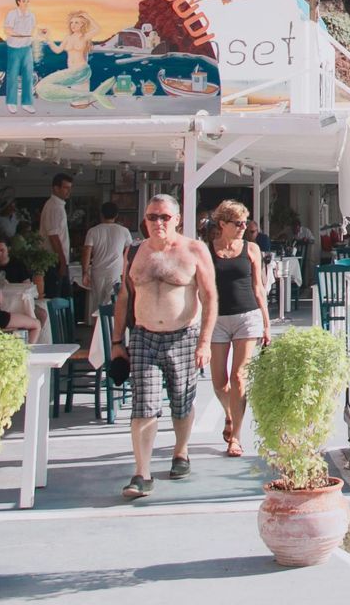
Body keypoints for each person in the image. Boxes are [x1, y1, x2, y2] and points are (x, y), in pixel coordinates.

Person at [110, 194, 217, 500]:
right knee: (143, 403)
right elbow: (124, 298)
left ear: (177, 219)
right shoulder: (134, 252)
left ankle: (180, 452)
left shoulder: (194, 250)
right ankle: (142, 473)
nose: (157, 223)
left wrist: (205, 341)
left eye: (164, 217)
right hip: (144, 336)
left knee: (181, 401)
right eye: (151, 217)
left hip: (183, 335)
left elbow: (209, 298)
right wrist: (117, 341)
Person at [206, 201, 270, 459]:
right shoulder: (207, 250)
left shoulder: (251, 249)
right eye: (238, 223)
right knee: (219, 383)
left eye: (245, 223)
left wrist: (266, 323)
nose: (244, 228)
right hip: (217, 319)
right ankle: (230, 414)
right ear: (222, 224)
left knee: (239, 378)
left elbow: (259, 288)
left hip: (247, 316)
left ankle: (236, 438)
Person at [82, 202, 133, 314]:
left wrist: (85, 272)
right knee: (113, 303)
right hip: (115, 272)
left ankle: (97, 329)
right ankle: (111, 329)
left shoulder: (93, 231)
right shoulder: (124, 231)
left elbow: (87, 252)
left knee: (98, 304)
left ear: (101, 214)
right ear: (116, 215)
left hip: (97, 272)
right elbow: (129, 252)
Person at [2, 0, 38, 113]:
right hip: (14, 48)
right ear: (18, 2)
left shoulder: (31, 15)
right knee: (12, 75)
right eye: (24, 1)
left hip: (27, 48)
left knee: (28, 75)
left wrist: (31, 35)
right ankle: (11, 102)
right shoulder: (12, 14)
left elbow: (33, 28)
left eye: (28, 1)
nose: (26, 3)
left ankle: (27, 103)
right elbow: (7, 29)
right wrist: (19, 35)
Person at [40, 173, 73, 299]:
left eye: (70, 188)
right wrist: (62, 262)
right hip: (55, 261)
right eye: (66, 188)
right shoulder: (54, 207)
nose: (69, 191)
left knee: (63, 296)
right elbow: (53, 236)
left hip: (56, 260)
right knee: (58, 297)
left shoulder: (58, 205)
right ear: (56, 188)